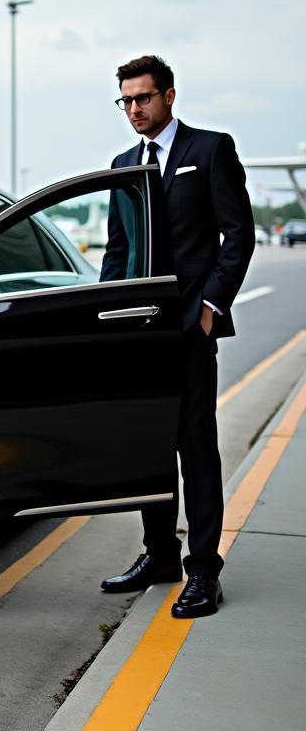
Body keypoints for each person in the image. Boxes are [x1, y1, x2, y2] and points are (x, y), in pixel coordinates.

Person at [99, 55, 254, 618]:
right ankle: (159, 554)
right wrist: (105, 316)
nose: (134, 110)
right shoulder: (122, 164)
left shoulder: (209, 150)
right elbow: (118, 251)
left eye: (142, 98)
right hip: (139, 333)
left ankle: (204, 571)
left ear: (168, 95)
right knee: (150, 446)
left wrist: (212, 306)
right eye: (126, 101)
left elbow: (238, 234)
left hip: (190, 327)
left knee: (196, 450)